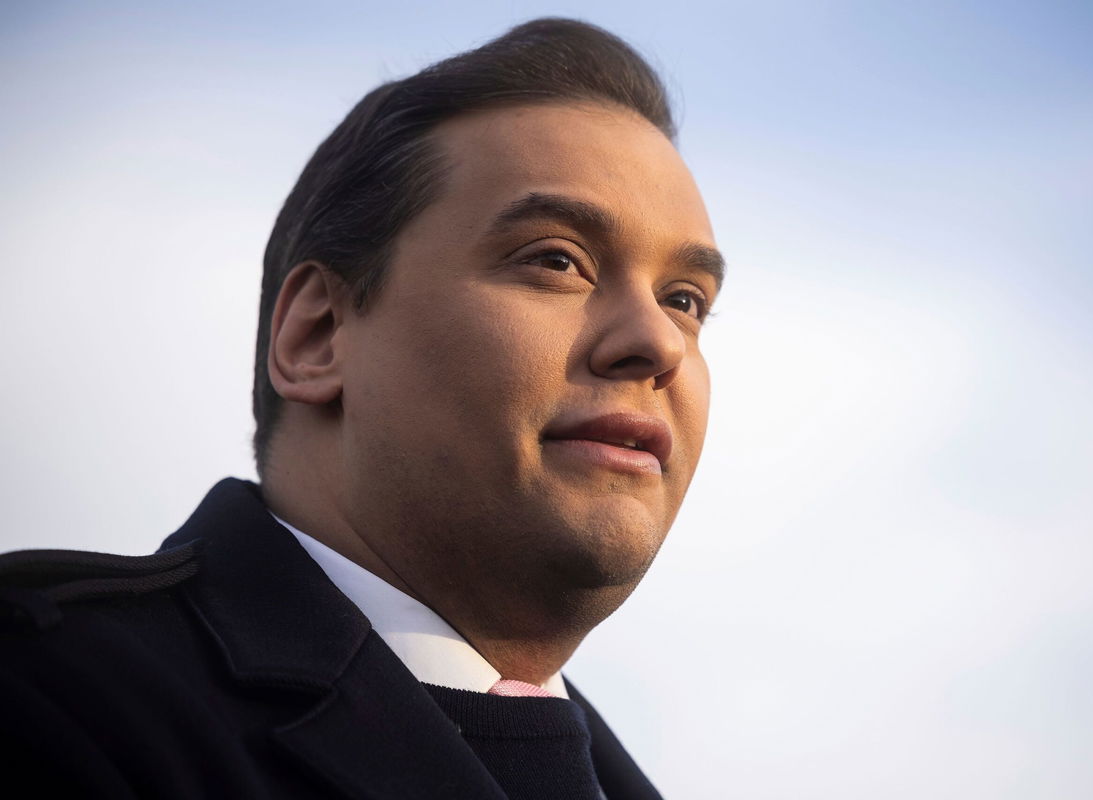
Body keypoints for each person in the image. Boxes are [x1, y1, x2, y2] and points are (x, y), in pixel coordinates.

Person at [0, 17, 723, 799]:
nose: (659, 342)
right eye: (556, 260)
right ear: (318, 335)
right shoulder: (50, 697)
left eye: (685, 300)